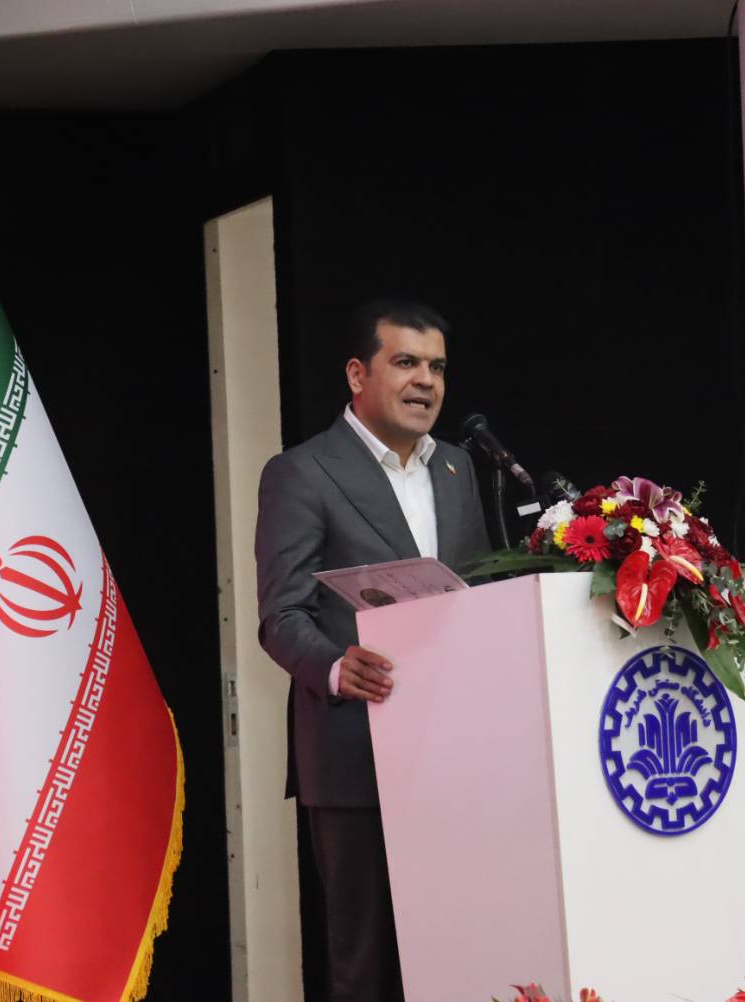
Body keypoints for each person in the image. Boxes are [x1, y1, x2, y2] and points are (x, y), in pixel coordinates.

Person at [254, 300, 490, 1002]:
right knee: (368, 967)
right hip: (356, 752)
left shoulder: (458, 469)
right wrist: (333, 665)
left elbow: (478, 594)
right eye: (406, 362)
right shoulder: (302, 472)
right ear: (358, 375)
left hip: (454, 753)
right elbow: (281, 615)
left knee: (457, 953)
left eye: (437, 367)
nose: (426, 381)